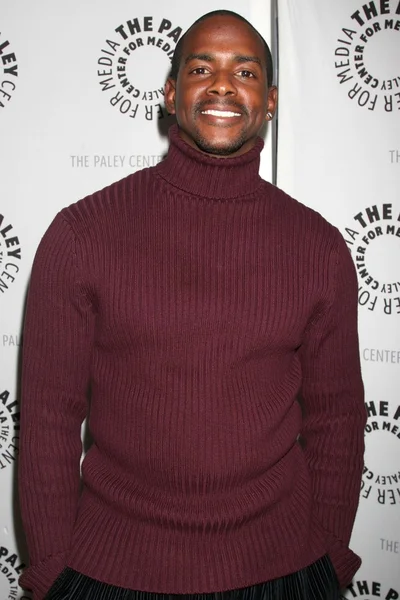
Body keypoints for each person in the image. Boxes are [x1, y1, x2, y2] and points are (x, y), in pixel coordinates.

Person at [18, 9, 366, 600]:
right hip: (111, 573)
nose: (224, 84)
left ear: (271, 100)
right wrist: (52, 569)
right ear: (170, 93)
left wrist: (329, 555)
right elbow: (49, 417)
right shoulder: (83, 235)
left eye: (246, 71)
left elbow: (337, 417)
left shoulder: (319, 247)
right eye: (202, 68)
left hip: (287, 570)